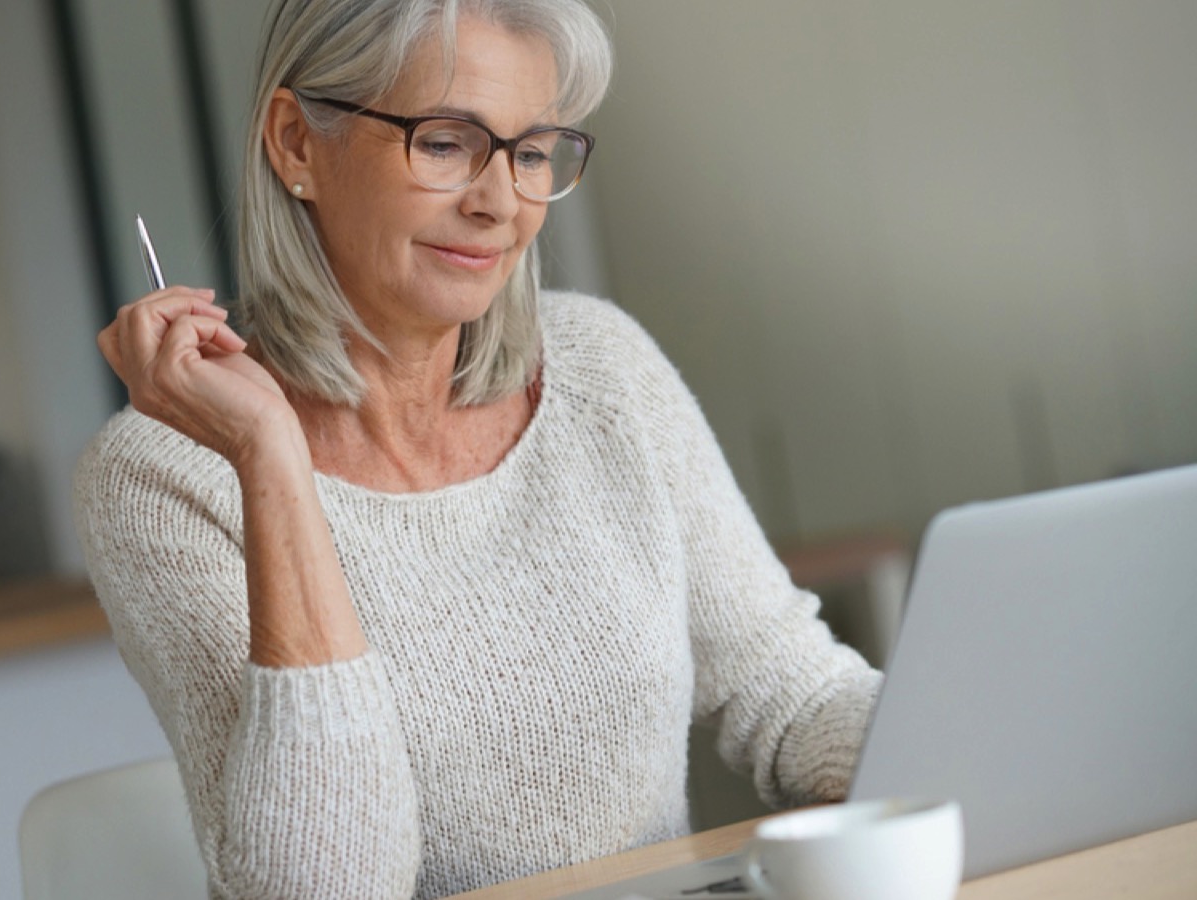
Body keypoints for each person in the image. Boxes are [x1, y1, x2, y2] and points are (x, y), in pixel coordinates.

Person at [74, 0, 882, 896]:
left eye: (531, 152)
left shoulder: (600, 366)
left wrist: (983, 731)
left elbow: (790, 696)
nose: (498, 202)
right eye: (446, 141)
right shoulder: (161, 478)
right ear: (298, 143)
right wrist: (270, 456)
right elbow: (322, 886)